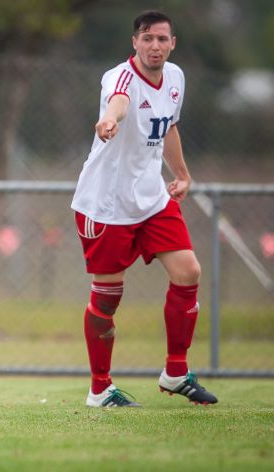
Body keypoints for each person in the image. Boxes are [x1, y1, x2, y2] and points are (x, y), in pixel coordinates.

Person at [71, 11, 217, 407]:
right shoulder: (119, 77)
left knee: (188, 272)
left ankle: (175, 372)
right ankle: (99, 389)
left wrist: (182, 174)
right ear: (134, 42)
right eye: (148, 38)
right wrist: (108, 120)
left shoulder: (176, 78)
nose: (155, 46)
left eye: (162, 39)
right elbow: (117, 104)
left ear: (173, 44)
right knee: (107, 296)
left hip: (152, 198)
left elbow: (168, 126)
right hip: (106, 204)